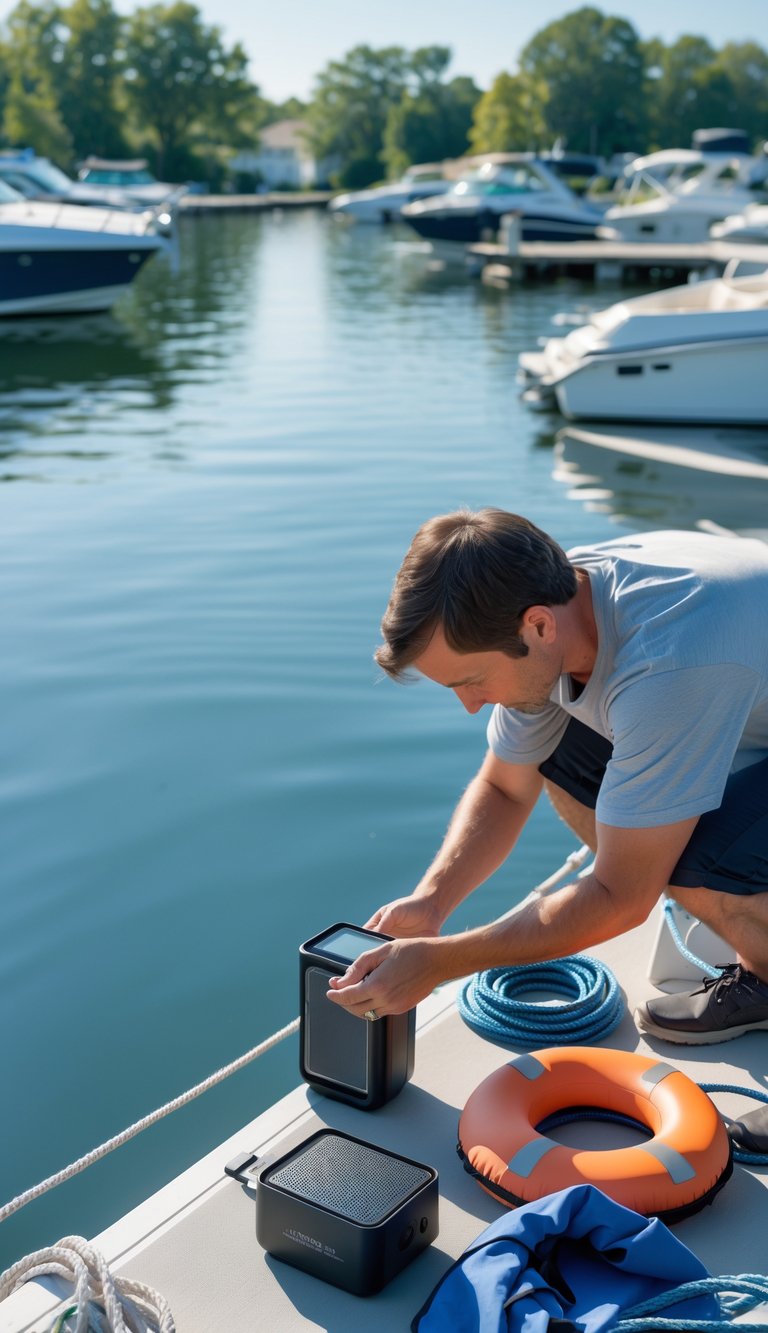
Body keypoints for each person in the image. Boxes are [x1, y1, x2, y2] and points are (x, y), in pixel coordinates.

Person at [327, 507, 768, 1058]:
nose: (469, 707)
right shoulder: (556, 604)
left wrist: (442, 962)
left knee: (688, 857)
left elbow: (622, 896)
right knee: (560, 755)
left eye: (473, 681)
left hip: (708, 670)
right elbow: (506, 787)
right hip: (735, 685)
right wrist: (432, 902)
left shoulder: (668, 665)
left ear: (537, 625)